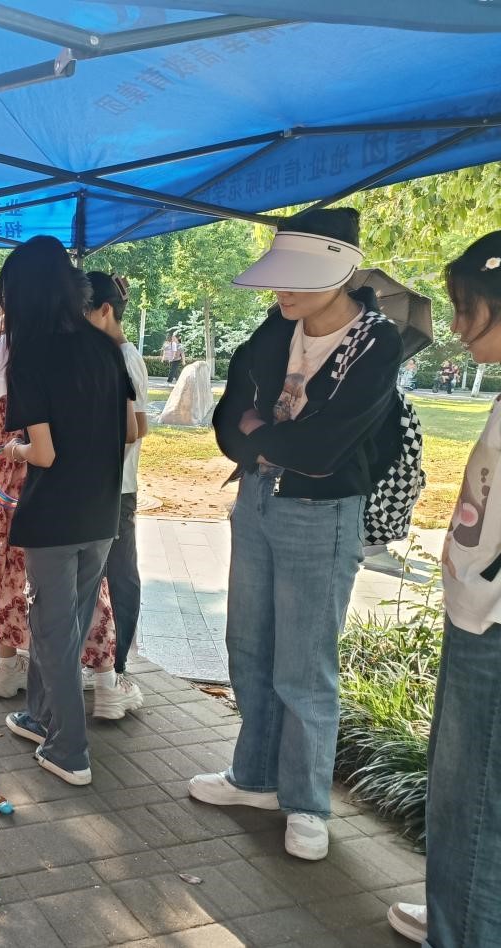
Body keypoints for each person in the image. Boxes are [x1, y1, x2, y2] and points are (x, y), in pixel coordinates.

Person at [192, 208, 403, 861]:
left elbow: (326, 448)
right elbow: (228, 415)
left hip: (323, 511)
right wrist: (264, 439)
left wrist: (262, 434)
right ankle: (253, 776)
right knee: (248, 644)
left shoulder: (376, 340)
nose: (281, 291)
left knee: (305, 665)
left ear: (339, 273)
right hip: (257, 498)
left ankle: (307, 802)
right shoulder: (275, 326)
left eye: (296, 277)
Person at [386, 233, 501, 947]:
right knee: (468, 795)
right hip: (477, 612)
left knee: (473, 799)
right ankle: (459, 912)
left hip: (491, 625)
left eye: (468, 308)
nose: (456, 325)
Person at [0, 236, 135, 786]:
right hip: (101, 511)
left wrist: (14, 451)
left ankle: (69, 750)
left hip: (54, 515)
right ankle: (40, 716)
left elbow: (45, 453)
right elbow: (129, 430)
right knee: (66, 625)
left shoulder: (31, 356)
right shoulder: (107, 346)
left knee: (53, 631)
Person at [0, 310, 128, 712]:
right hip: (64, 488)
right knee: (83, 586)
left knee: (6, 572)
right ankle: (105, 682)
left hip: (6, 477)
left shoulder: (2, 348)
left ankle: (6, 670)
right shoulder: (88, 350)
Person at [84, 271, 148, 715]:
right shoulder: (102, 354)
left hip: (117, 487)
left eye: (82, 314)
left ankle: (117, 666)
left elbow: (137, 427)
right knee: (97, 578)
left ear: (105, 310)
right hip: (97, 487)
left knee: (119, 576)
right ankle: (101, 662)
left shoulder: (124, 357)